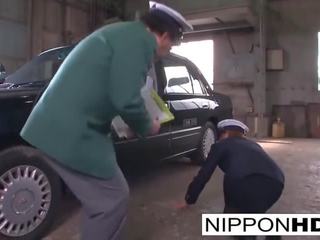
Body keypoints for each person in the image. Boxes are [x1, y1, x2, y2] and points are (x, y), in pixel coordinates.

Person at [20, 2, 192, 240]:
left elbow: (108, 90)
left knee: (104, 200)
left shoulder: (123, 34)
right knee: (111, 200)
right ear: (163, 35)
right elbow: (126, 99)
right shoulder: (139, 42)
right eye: (173, 41)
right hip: (71, 132)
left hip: (60, 127)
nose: (170, 48)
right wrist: (146, 125)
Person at [182, 119, 285, 240]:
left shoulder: (220, 146)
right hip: (276, 182)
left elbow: (204, 174)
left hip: (244, 184)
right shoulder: (253, 144)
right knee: (253, 211)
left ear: (225, 133)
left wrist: (190, 198)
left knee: (235, 220)